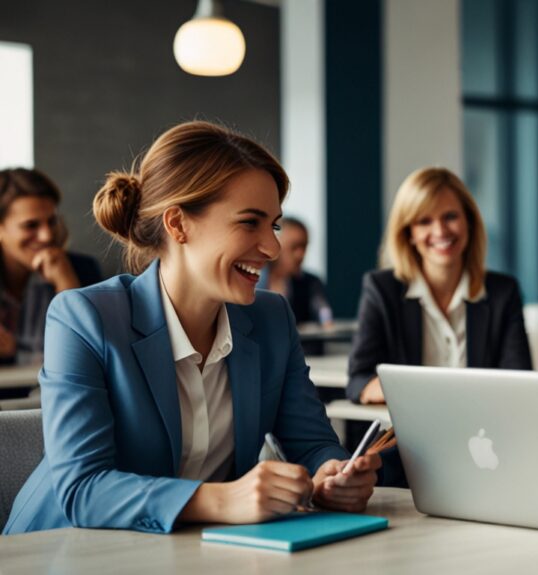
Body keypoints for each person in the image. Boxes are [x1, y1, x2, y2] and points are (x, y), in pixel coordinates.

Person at [3, 121, 380, 535]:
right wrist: (223, 498)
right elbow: (83, 488)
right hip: (63, 550)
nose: (272, 248)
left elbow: (310, 442)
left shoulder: (272, 319)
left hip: (189, 552)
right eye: (249, 223)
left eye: (273, 224)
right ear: (178, 224)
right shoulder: (84, 318)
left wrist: (331, 473)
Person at [347, 167, 532, 405]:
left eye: (450, 217)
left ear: (469, 221)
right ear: (409, 233)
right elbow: (358, 380)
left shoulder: (502, 292)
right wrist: (404, 391)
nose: (440, 231)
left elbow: (519, 384)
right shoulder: (382, 290)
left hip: (482, 436)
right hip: (408, 435)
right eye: (424, 221)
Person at [0, 168, 102, 365]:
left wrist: (67, 286)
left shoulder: (83, 270)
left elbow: (93, 357)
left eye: (52, 221)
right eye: (31, 225)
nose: (46, 236)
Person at [257, 216, 332, 326]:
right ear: (275, 245)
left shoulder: (311, 284)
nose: (300, 255)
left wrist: (326, 322)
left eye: (304, 247)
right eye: (294, 247)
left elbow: (324, 315)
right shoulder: (252, 280)